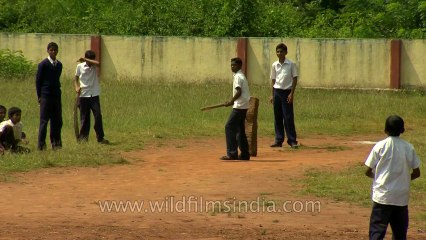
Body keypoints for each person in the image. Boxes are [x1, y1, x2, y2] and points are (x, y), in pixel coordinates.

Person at [365, 115, 421, 240]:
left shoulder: (380, 146)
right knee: (400, 234)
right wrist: (404, 180)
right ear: (403, 130)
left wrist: (379, 178)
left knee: (377, 233)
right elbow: (417, 172)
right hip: (401, 198)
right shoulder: (409, 147)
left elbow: (368, 171)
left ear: (385, 130)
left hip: (382, 197)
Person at [74, 50, 109, 144]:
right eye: (89, 60)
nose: (90, 62)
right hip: (83, 95)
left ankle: (100, 138)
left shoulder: (94, 66)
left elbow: (98, 63)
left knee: (98, 116)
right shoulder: (80, 66)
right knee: (84, 118)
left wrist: (86, 59)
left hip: (94, 94)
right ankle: (83, 139)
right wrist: (77, 86)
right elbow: (76, 78)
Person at [220, 58, 250, 161]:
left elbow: (239, 92)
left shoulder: (238, 76)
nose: (232, 67)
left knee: (229, 127)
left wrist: (231, 101)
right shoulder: (241, 76)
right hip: (244, 106)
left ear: (239, 66)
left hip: (239, 106)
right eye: (231, 65)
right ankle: (245, 154)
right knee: (240, 130)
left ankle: (232, 153)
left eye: (234, 65)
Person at [269, 43, 299, 149]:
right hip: (277, 92)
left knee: (288, 117)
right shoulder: (274, 65)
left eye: (281, 51)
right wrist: (272, 94)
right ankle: (278, 140)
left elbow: (295, 79)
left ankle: (292, 140)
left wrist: (292, 93)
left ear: (286, 52)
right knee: (277, 117)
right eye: (278, 51)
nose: (279, 53)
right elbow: (273, 80)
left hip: (287, 92)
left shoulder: (291, 64)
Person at [36, 42, 63, 150]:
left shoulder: (59, 65)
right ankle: (41, 145)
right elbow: (38, 81)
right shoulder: (43, 64)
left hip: (56, 96)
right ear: (47, 50)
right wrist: (39, 96)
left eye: (55, 50)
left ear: (57, 51)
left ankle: (56, 143)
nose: (53, 52)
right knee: (44, 121)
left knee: (57, 120)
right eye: (51, 50)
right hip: (45, 95)